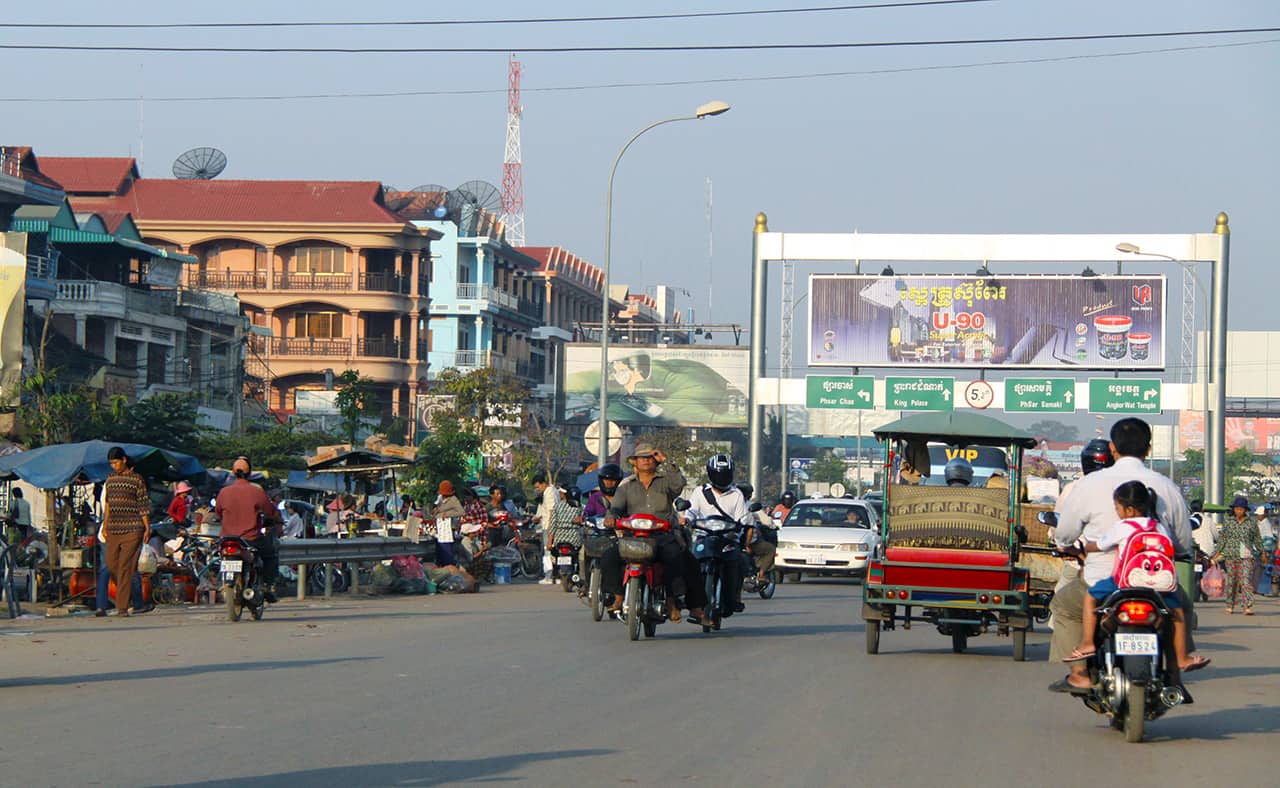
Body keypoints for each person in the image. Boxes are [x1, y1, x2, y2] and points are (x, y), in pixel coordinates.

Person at [1049, 418, 1199, 694]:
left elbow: (1066, 533)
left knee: (1064, 607)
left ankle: (1080, 672)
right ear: (1149, 449)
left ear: (1112, 448)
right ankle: (1176, 671)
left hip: (1102, 580)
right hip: (1157, 582)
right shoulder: (1166, 487)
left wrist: (1065, 544)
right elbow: (1183, 543)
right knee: (1181, 609)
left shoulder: (1088, 484)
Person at [1061, 482, 1207, 689]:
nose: (1117, 512)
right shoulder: (1159, 526)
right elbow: (1175, 548)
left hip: (1124, 582)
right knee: (1178, 612)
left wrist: (1082, 548)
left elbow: (1100, 545)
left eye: (1117, 508)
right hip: (1159, 587)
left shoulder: (1124, 526)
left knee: (1090, 596)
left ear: (1128, 509)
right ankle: (1182, 658)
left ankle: (1087, 642)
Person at [601, 443, 708, 624]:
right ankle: (618, 596)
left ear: (655, 460)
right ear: (635, 462)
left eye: (649, 457)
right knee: (608, 557)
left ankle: (674, 601)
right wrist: (611, 517)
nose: (645, 460)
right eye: (641, 457)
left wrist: (667, 462)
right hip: (633, 536)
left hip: (663, 536)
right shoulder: (626, 486)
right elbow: (616, 507)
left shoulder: (665, 481)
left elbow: (678, 485)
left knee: (681, 560)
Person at [683, 454, 749, 615]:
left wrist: (741, 526)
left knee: (740, 561)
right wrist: (685, 519)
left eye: (725, 474)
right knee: (688, 562)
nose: (722, 478)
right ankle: (687, 599)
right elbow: (690, 511)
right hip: (702, 537)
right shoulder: (700, 492)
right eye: (718, 474)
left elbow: (743, 518)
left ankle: (735, 597)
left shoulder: (737, 494)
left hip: (727, 539)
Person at [214, 456, 282, 603]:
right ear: (250, 473)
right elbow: (270, 511)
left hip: (227, 539)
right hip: (250, 539)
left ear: (233, 472)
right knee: (271, 554)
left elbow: (218, 513)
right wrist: (275, 518)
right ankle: (267, 586)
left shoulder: (224, 492)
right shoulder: (256, 491)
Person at [100, 447, 152, 617]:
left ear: (124, 460)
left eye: (115, 462)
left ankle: (122, 608)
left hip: (133, 528)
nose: (113, 466)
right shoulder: (110, 479)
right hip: (114, 528)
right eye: (111, 463)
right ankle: (125, 591)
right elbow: (108, 504)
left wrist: (147, 527)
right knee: (111, 563)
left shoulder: (137, 480)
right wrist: (106, 524)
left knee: (125, 567)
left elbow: (143, 505)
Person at [1213, 496, 1263, 615]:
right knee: (1232, 581)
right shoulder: (1229, 522)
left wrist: (1262, 552)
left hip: (1246, 556)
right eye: (1237, 509)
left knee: (1245, 581)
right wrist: (1217, 553)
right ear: (1234, 509)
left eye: (1241, 509)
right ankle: (1230, 604)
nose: (1239, 511)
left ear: (1245, 510)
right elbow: (1222, 538)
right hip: (1231, 555)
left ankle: (1247, 606)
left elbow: (1257, 539)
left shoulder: (1251, 523)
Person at [433, 480, 464, 566]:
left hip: (448, 529)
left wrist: (447, 514)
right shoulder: (440, 498)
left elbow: (461, 512)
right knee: (440, 555)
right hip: (439, 528)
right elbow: (435, 508)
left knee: (447, 554)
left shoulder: (454, 500)